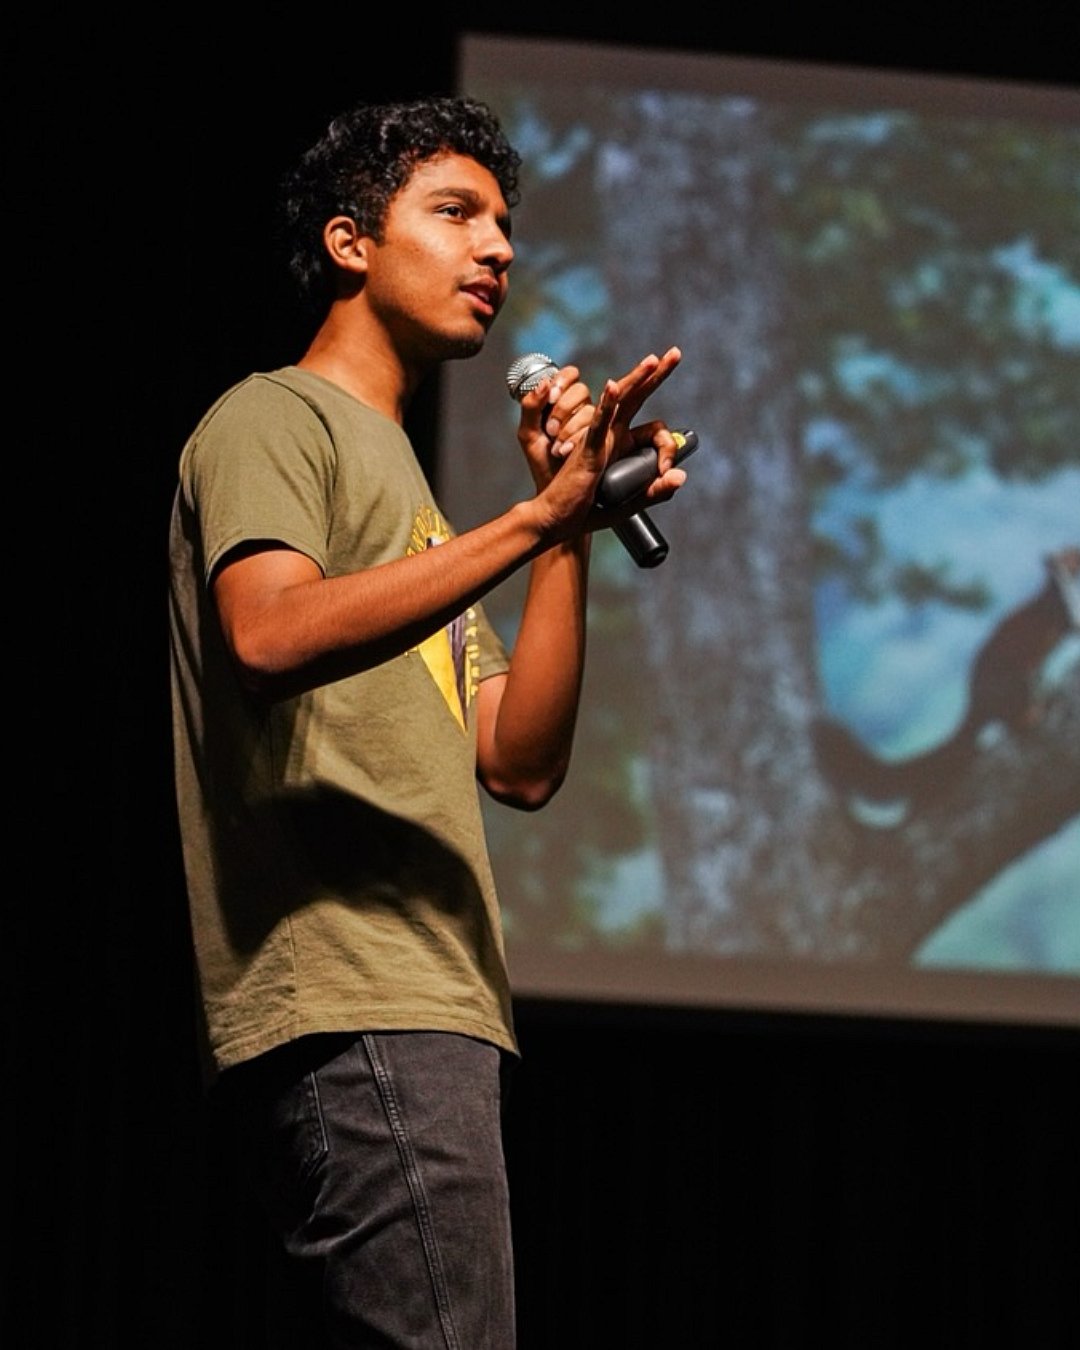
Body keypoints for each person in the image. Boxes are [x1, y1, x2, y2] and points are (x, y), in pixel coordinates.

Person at [168, 93, 687, 1348]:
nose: (497, 246)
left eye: (505, 223)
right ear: (352, 243)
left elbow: (515, 760)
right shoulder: (274, 418)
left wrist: (554, 535)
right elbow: (271, 632)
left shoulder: (417, 501)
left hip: (427, 996)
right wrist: (527, 527)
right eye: (455, 213)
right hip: (357, 985)